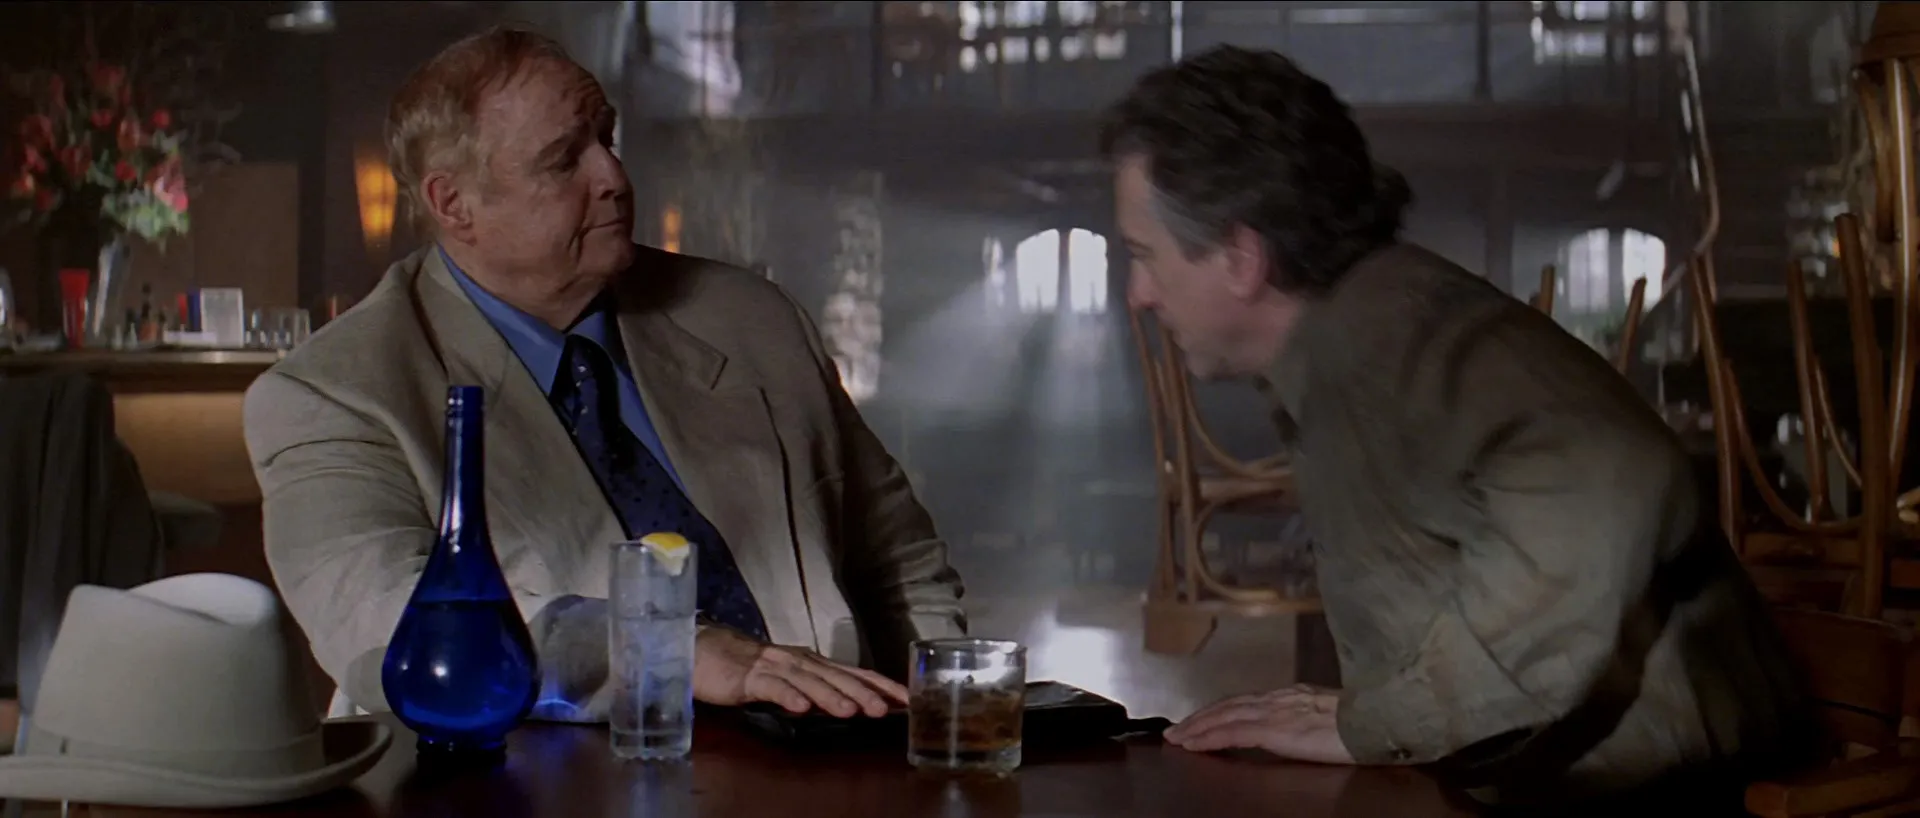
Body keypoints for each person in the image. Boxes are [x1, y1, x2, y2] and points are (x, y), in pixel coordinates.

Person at [1103, 45, 1808, 810]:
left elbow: (1615, 471)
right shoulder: (1346, 340)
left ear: (1241, 258)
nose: (1139, 293)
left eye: (1145, 255)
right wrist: (1382, 715)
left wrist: (1392, 720)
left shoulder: (1391, 338)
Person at [244, 27, 964, 723]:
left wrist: (941, 729)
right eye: (563, 161)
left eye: (606, 140)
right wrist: (671, 650)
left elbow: (900, 560)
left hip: (827, 762)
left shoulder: (752, 319)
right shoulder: (334, 393)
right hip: (533, 779)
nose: (614, 178)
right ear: (454, 204)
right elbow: (384, 619)